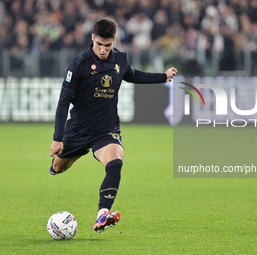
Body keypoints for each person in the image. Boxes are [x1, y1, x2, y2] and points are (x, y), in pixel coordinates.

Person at [49, 17, 177, 233]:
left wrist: (162, 77)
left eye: (107, 45)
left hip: (106, 130)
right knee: (58, 168)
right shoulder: (79, 64)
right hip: (78, 129)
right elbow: (63, 103)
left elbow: (133, 75)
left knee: (116, 162)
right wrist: (57, 137)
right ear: (92, 38)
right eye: (99, 44)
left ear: (114, 41)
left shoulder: (120, 59)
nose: (102, 50)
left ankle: (103, 214)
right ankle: (78, 152)